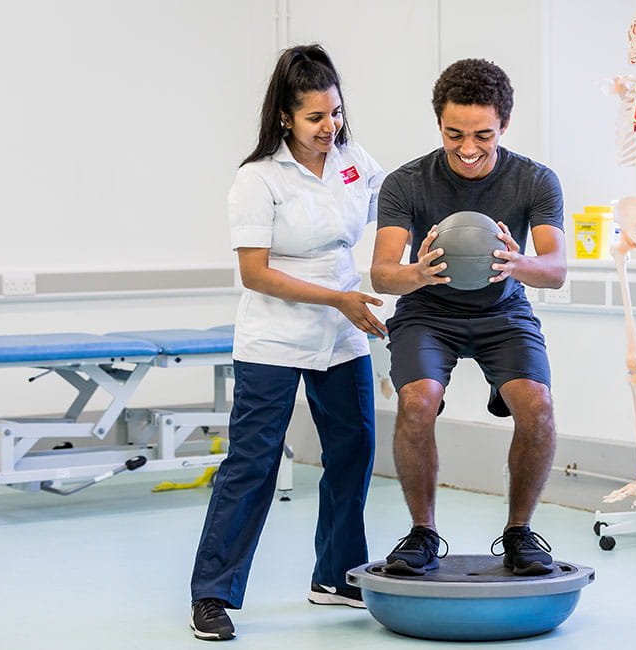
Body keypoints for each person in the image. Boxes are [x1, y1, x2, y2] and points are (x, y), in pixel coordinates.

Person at [189, 44, 387, 641]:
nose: (331, 128)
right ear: (285, 117)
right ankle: (211, 594)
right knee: (252, 464)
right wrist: (337, 299)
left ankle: (337, 575)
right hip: (275, 336)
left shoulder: (353, 160)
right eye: (316, 118)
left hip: (342, 332)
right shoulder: (258, 179)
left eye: (336, 113)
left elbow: (396, 208)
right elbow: (256, 273)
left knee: (353, 453)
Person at [369, 58, 566, 577]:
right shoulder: (406, 183)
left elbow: (556, 269)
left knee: (537, 405)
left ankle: (520, 534)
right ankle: (423, 534)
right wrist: (420, 272)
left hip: (504, 311)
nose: (468, 148)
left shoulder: (535, 180)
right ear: (439, 124)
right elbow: (382, 275)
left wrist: (515, 263)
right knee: (417, 401)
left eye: (483, 134)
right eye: (454, 134)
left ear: (504, 124)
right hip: (428, 313)